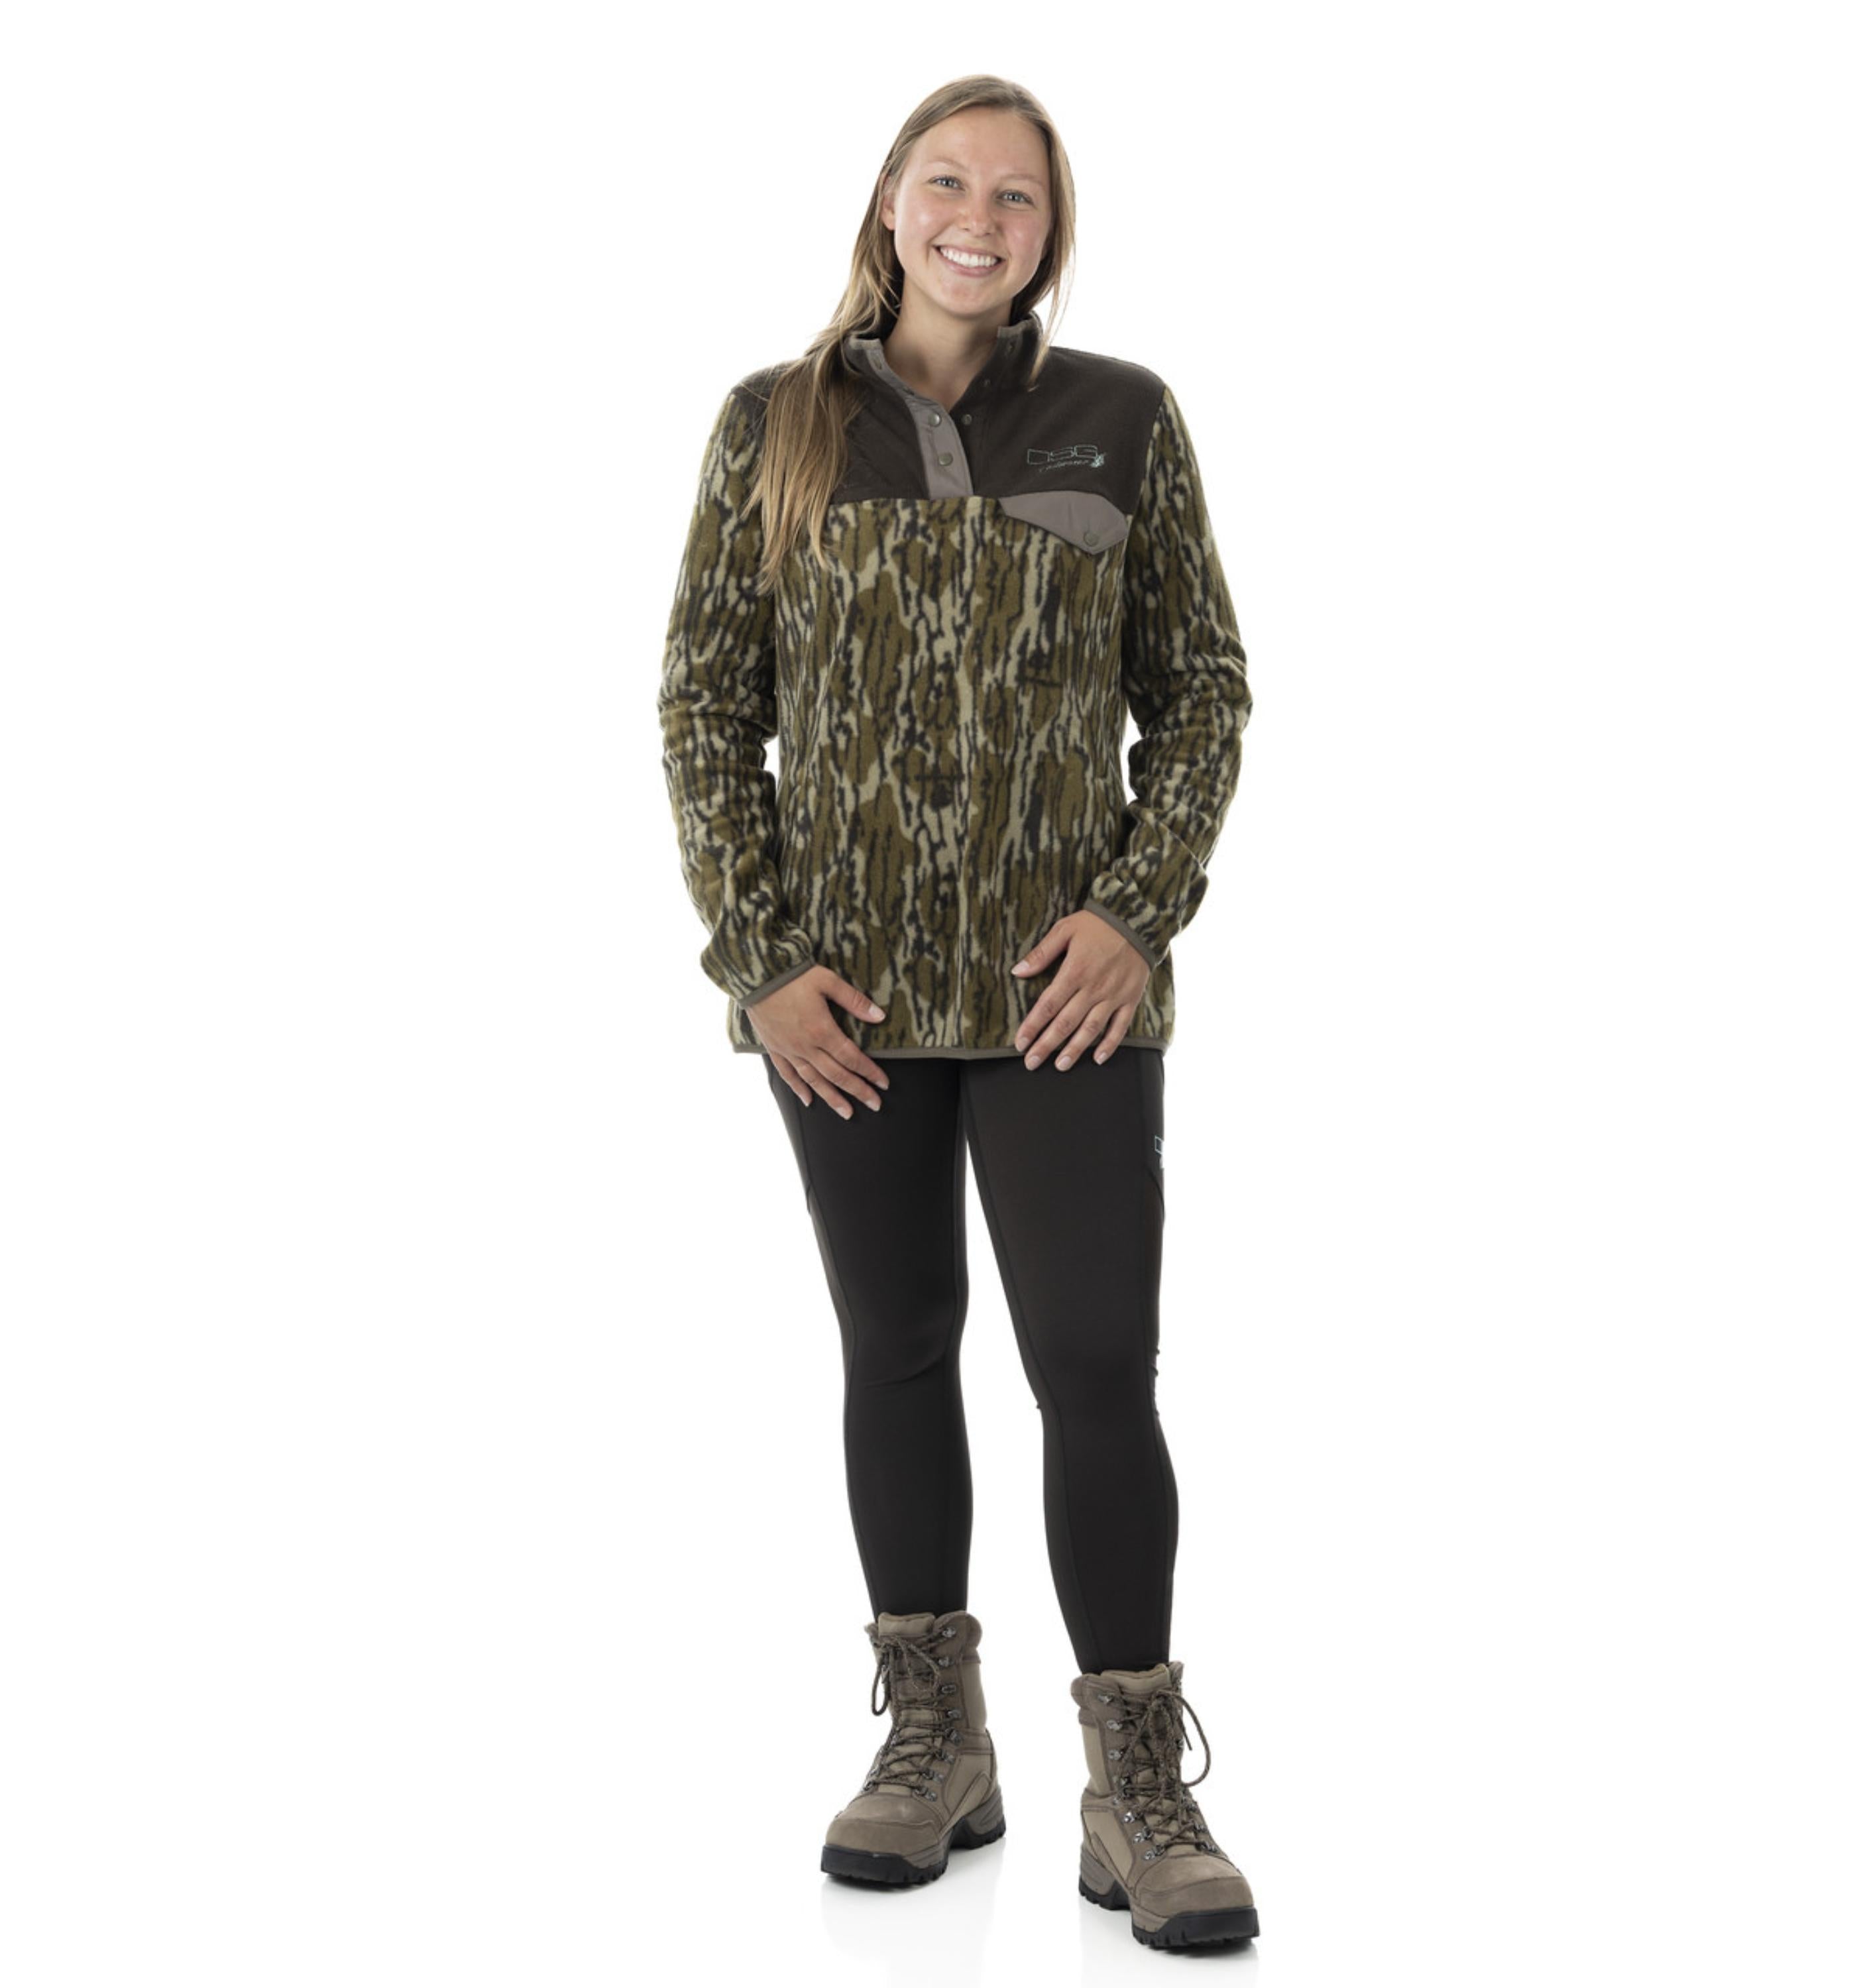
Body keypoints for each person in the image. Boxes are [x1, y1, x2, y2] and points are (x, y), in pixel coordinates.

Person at [657, 76, 1257, 1950]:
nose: (978, 218)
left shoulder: (1122, 417)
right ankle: (936, 1743)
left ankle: (1138, 1786)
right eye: (948, 182)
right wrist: (759, 962)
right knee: (898, 1349)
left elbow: (1205, 689)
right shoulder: (773, 426)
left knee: (1094, 1363)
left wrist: (1135, 922)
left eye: (1018, 195)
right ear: (890, 203)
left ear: (1049, 232)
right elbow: (705, 704)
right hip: (843, 1003)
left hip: (1063, 1003)